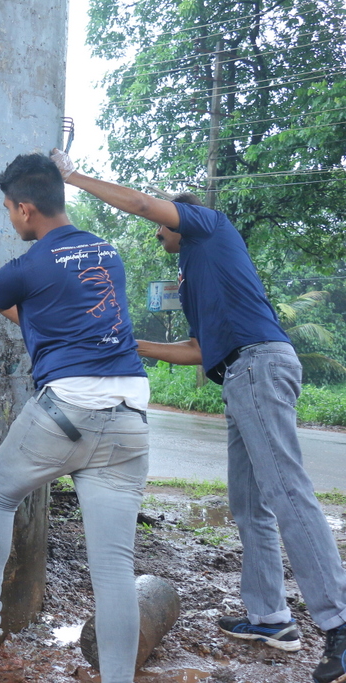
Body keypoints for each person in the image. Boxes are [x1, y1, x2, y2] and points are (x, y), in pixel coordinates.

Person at [51, 148, 346, 683]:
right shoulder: (193, 274)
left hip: (258, 366)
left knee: (285, 491)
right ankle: (271, 618)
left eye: (162, 230)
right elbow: (196, 348)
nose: (158, 239)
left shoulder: (208, 227)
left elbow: (142, 203)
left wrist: (71, 176)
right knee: (249, 504)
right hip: (236, 374)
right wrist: (126, 343)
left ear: (177, 220)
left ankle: (340, 624)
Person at [0, 153, 149, 682]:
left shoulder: (24, 266)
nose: (8, 218)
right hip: (129, 420)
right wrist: (0, 298)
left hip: (64, 412)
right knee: (114, 568)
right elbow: (52, 313)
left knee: (0, 498)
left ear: (25, 209)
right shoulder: (106, 252)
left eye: (7, 209)